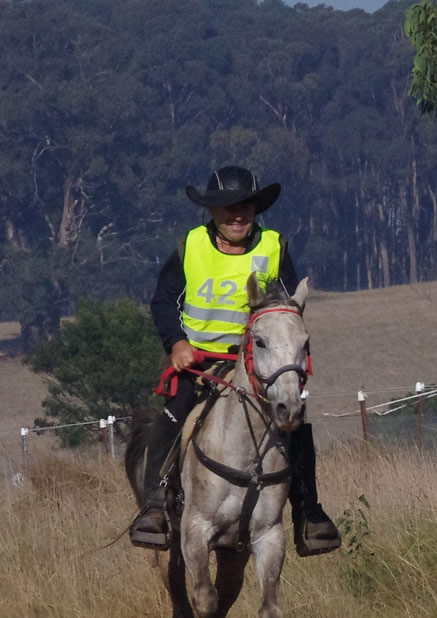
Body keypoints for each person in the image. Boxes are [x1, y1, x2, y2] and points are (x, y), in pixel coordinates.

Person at [129, 165, 341, 557]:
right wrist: (177, 343)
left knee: (294, 420)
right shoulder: (191, 246)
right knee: (174, 412)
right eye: (228, 207)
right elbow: (163, 300)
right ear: (213, 210)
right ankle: (155, 505)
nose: (237, 214)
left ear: (255, 208)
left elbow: (288, 308)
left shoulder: (273, 246)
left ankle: (309, 513)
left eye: (244, 205)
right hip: (199, 363)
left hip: (255, 365)